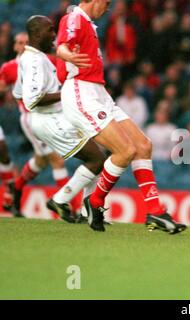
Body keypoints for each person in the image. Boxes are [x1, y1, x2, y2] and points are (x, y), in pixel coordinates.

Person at [56, 0, 185, 233]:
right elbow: (62, 46)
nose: (108, 8)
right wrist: (69, 57)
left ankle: (154, 211)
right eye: (106, 2)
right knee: (125, 151)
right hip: (80, 91)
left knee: (143, 146)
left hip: (98, 91)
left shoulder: (90, 25)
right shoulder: (75, 17)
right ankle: (95, 202)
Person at [13, 15, 107, 223]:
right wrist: (66, 92)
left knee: (98, 157)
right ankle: (60, 199)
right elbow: (32, 100)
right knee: (97, 159)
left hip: (55, 117)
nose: (54, 34)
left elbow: (19, 93)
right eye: (50, 30)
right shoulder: (34, 61)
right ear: (37, 34)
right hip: (50, 120)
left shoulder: (31, 58)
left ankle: (86, 212)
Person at [0, 31, 83, 219]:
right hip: (31, 118)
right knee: (57, 160)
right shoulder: (9, 68)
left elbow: (62, 71)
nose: (22, 45)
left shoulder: (44, 60)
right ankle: (73, 209)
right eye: (19, 42)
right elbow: (2, 87)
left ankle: (15, 187)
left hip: (51, 116)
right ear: (14, 46)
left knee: (40, 160)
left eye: (25, 42)